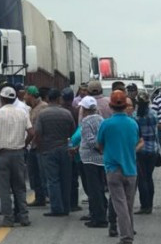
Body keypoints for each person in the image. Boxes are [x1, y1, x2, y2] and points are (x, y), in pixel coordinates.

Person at [97, 90, 141, 244]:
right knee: (128, 205)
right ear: (125, 105)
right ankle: (129, 235)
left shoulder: (106, 124)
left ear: (110, 106)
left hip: (113, 169)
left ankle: (125, 239)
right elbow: (136, 142)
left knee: (120, 206)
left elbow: (100, 145)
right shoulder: (133, 124)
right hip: (131, 169)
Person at [0, 86, 34, 227]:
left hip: (2, 154)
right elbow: (32, 132)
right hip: (18, 153)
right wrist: (23, 144)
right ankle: (23, 216)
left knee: (4, 188)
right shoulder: (22, 113)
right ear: (15, 98)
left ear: (2, 99)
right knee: (20, 186)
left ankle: (8, 218)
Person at [33, 88, 75, 217]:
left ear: (48, 99)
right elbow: (72, 131)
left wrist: (39, 147)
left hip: (48, 149)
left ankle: (56, 208)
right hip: (64, 149)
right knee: (66, 179)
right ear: (58, 99)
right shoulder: (66, 113)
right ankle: (66, 207)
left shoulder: (42, 114)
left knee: (52, 180)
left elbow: (38, 133)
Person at [77, 96, 108, 228]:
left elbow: (90, 141)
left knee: (93, 189)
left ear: (84, 108)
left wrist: (98, 149)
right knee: (100, 188)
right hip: (101, 160)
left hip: (90, 159)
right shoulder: (101, 119)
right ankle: (102, 213)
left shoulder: (85, 122)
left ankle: (98, 218)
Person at [25, 86, 48, 207]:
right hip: (32, 145)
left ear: (31, 95)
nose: (24, 98)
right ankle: (39, 196)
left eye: (26, 95)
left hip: (39, 145)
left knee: (40, 173)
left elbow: (40, 129)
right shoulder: (32, 109)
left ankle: (43, 196)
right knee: (33, 173)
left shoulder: (42, 107)